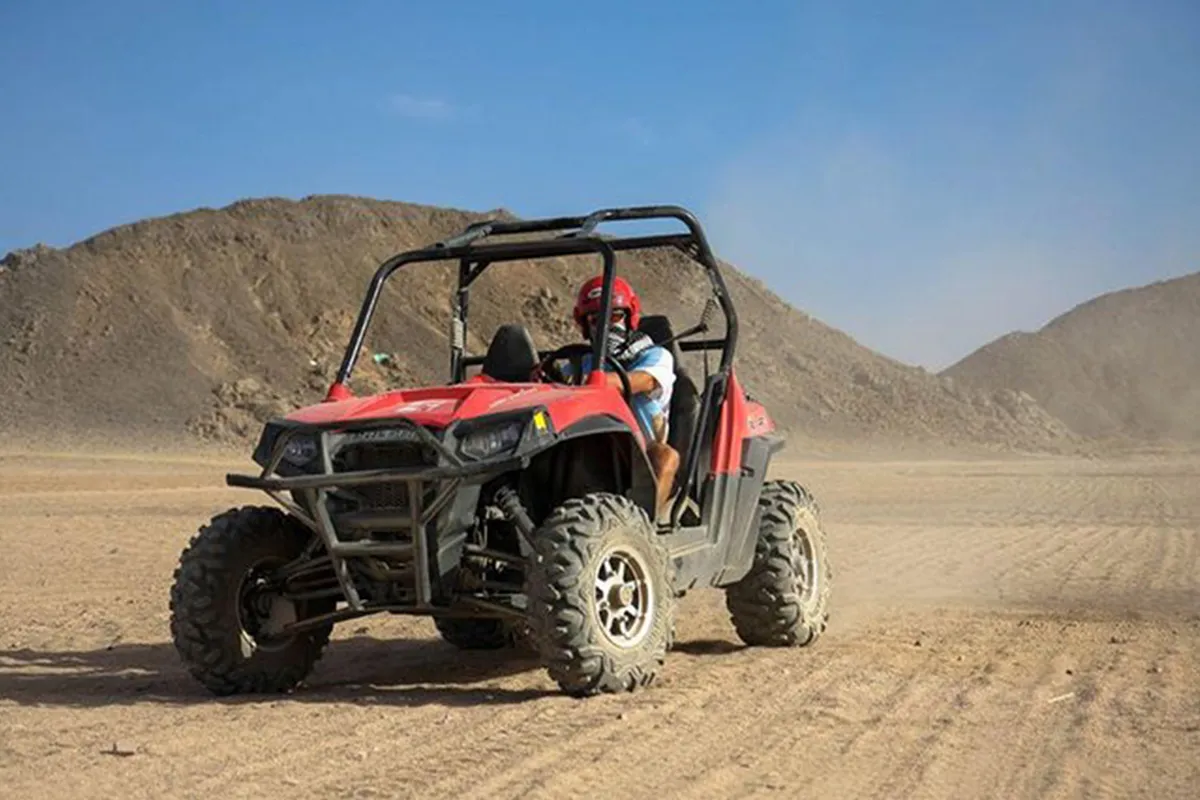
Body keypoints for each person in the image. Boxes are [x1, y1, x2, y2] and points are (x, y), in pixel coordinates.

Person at [571, 275, 680, 517]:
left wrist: (596, 381)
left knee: (665, 457)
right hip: (588, 446)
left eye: (615, 317)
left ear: (630, 317)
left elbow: (646, 380)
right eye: (596, 319)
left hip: (639, 457)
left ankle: (644, 527)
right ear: (585, 326)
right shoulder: (582, 361)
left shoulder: (655, 355)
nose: (606, 326)